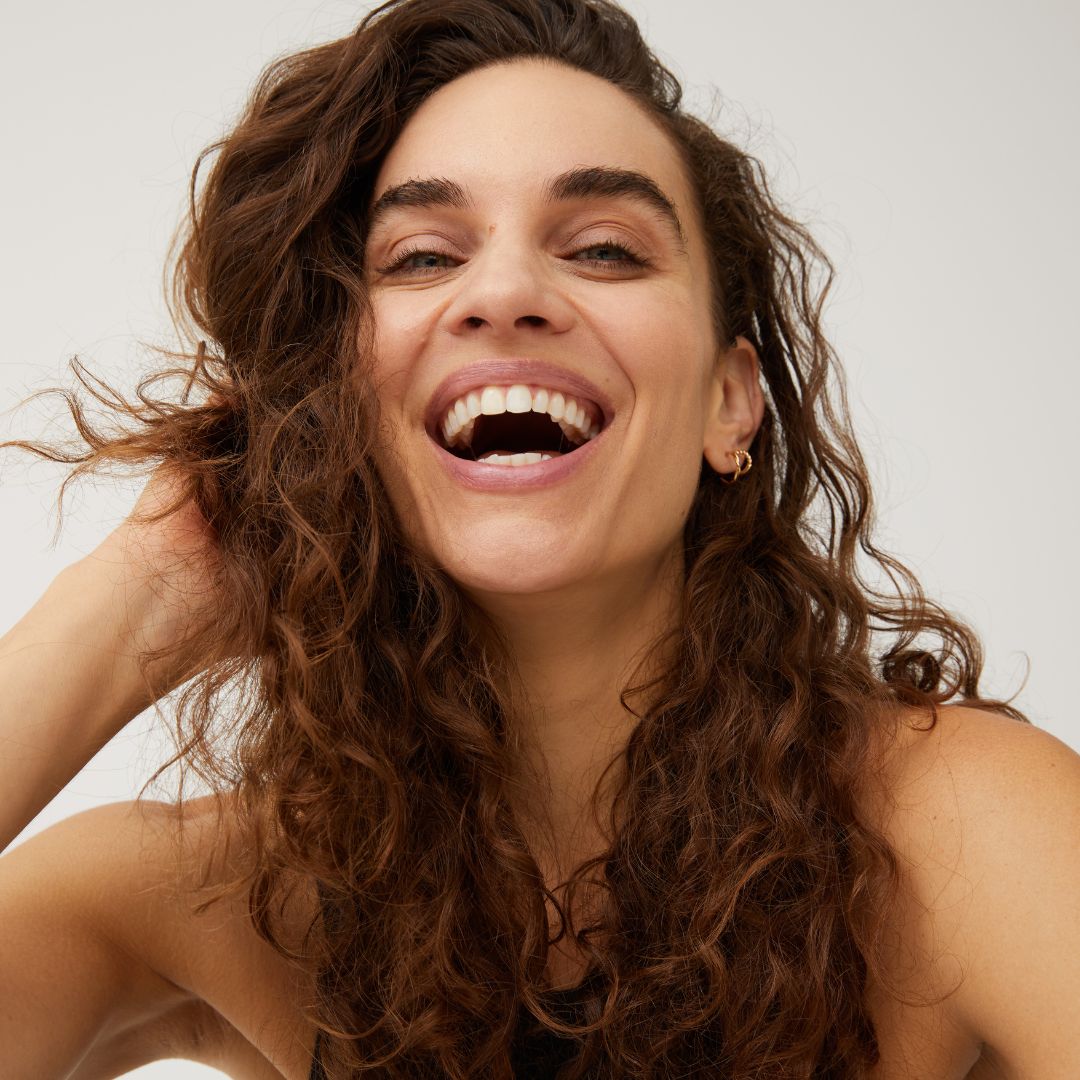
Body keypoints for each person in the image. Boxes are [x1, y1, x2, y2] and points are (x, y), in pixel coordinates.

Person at [1, 0, 1077, 1077]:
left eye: (606, 249)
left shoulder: (964, 833)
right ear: (331, 403)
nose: (507, 292)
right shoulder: (229, 897)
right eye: (421, 258)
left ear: (729, 401)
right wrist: (143, 593)